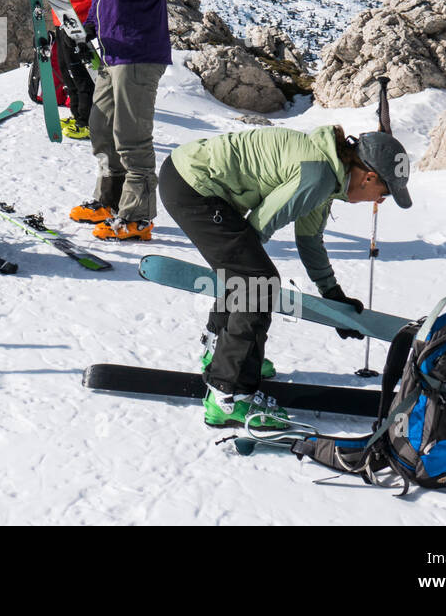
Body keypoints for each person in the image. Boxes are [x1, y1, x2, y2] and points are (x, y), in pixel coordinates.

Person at [158, 126, 412, 429]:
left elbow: (310, 241)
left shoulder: (328, 174)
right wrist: (243, 352)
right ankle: (230, 394)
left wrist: (332, 293)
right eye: (384, 194)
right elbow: (258, 226)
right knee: (257, 281)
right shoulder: (317, 176)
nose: (380, 202)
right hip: (194, 186)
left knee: (250, 275)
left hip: (187, 178)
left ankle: (220, 355)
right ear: (369, 177)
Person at [43, 0, 172, 241]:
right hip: (114, 52)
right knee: (101, 127)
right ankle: (109, 200)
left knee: (131, 137)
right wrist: (88, 29)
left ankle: (137, 217)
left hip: (138, 52)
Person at [53, 0, 96, 141]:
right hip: (65, 16)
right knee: (66, 70)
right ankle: (77, 114)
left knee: (78, 73)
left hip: (78, 17)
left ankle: (86, 122)